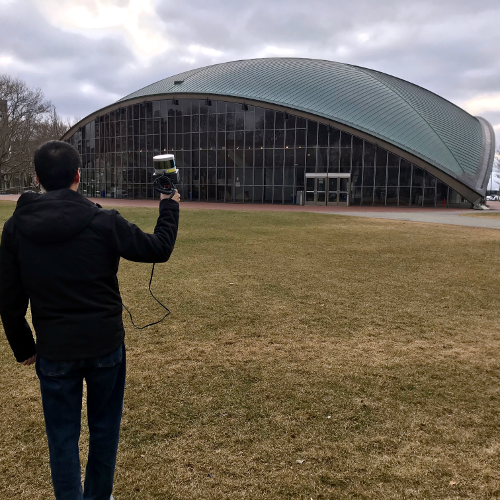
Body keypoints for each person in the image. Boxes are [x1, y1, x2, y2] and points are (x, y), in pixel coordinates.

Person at [0, 140, 180, 500]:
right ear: (78, 176)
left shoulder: (16, 227)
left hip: (55, 350)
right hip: (104, 345)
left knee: (62, 439)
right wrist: (169, 204)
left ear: (37, 178)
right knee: (104, 431)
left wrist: (23, 345)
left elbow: (9, 296)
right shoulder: (103, 220)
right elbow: (158, 247)